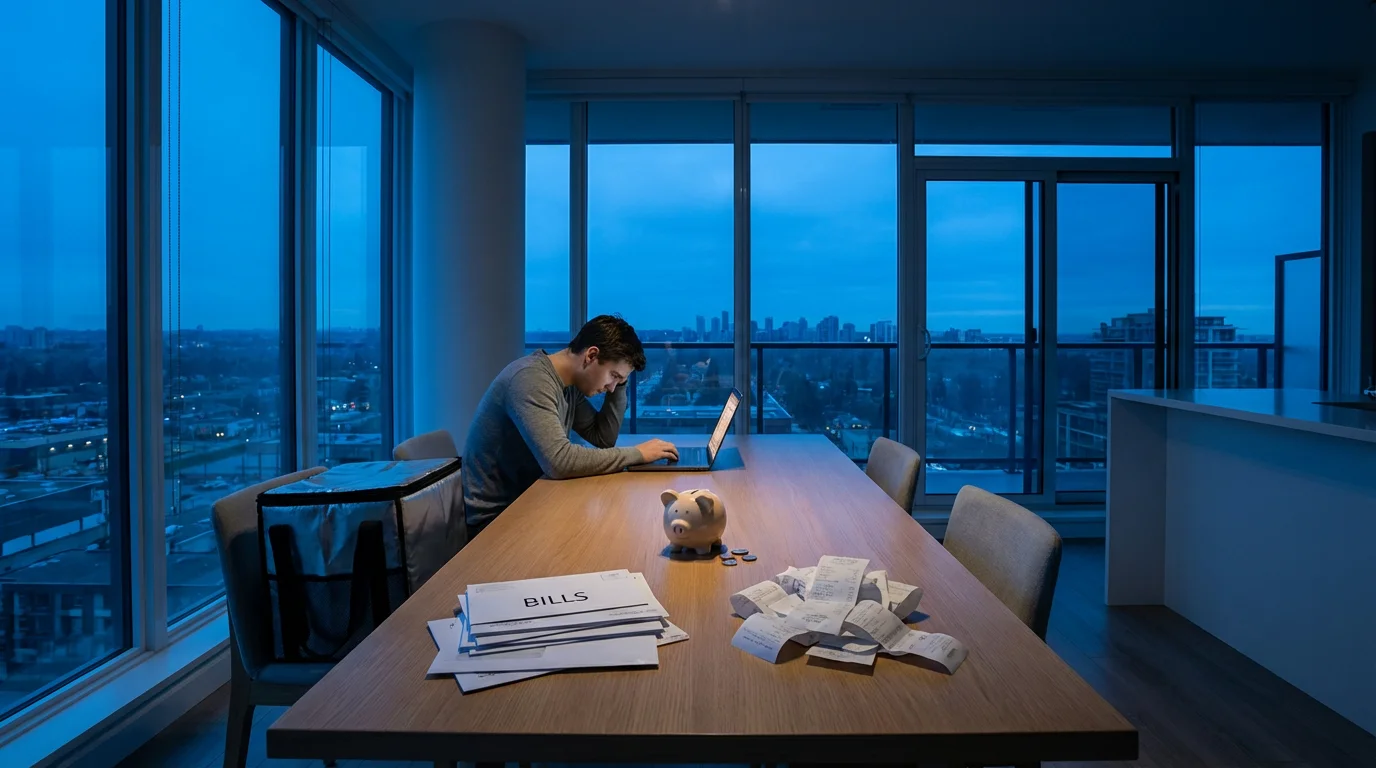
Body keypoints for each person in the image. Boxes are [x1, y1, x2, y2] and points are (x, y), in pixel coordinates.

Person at [461, 314, 679, 536]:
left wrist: (620, 382)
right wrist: (638, 454)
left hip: (535, 503)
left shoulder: (569, 386)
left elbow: (602, 438)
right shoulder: (530, 380)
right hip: (497, 523)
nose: (611, 387)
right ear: (591, 355)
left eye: (619, 381)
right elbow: (560, 461)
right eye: (612, 376)